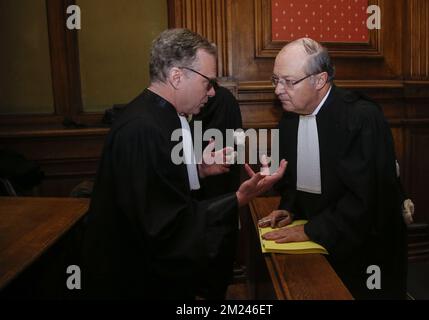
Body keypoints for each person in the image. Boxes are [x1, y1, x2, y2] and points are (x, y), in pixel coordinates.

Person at [81, 28, 287, 299]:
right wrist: (238, 198)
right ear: (177, 77)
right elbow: (166, 229)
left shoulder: (161, 115)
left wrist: (197, 169)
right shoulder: (143, 128)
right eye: (208, 82)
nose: (212, 93)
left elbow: (157, 189)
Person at [259, 38, 407, 299]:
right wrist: (290, 208)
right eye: (275, 80)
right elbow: (299, 178)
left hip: (365, 252)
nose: (279, 90)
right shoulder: (290, 117)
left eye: (289, 81)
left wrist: (310, 230)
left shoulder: (361, 117)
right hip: (320, 238)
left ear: (319, 80)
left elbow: (366, 198)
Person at [191, 85, 243, 299]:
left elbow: (229, 148)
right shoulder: (219, 98)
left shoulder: (221, 100)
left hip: (216, 188)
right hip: (210, 183)